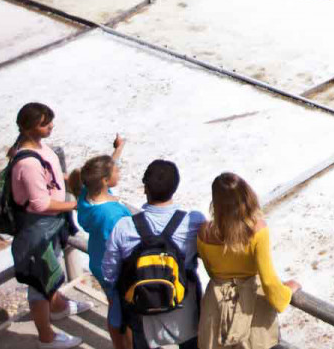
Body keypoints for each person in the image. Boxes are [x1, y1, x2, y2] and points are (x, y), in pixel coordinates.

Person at [9, 102, 93, 349]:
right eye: (45, 123)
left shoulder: (32, 147)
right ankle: (46, 337)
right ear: (30, 127)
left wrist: (69, 180)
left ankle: (58, 307)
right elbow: (38, 203)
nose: (51, 126)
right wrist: (74, 205)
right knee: (39, 281)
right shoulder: (27, 163)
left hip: (48, 225)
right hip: (38, 228)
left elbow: (49, 177)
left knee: (51, 269)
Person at [101, 160, 205, 349]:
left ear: (145, 188)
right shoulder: (193, 221)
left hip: (142, 309)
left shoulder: (124, 227)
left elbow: (109, 273)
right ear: (175, 187)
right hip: (184, 307)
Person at [196, 173, 299, 349]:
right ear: (247, 195)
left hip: (216, 310)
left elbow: (211, 272)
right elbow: (268, 281)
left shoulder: (204, 232)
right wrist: (288, 290)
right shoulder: (257, 230)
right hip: (250, 311)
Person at [66, 136, 131, 349]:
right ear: (105, 180)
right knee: (124, 313)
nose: (118, 172)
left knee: (114, 306)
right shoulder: (110, 215)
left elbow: (106, 169)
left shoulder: (87, 195)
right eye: (116, 172)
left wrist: (118, 150)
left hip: (98, 260)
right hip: (115, 268)